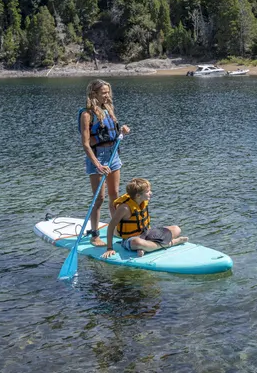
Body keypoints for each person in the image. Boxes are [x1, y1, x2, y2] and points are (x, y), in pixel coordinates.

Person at [79, 79, 131, 246]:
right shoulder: (87, 114)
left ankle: (116, 229)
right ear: (94, 94)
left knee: (114, 195)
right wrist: (98, 165)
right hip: (98, 157)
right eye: (103, 93)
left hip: (113, 154)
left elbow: (112, 133)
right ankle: (94, 235)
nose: (107, 95)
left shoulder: (108, 109)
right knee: (99, 198)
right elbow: (86, 144)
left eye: (108, 92)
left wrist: (122, 131)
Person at [103, 178, 186, 258]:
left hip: (146, 233)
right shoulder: (125, 208)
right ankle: (172, 243)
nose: (151, 193)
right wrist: (109, 248)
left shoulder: (143, 201)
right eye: (147, 191)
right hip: (131, 239)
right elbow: (110, 226)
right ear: (138, 195)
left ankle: (147, 249)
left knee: (176, 229)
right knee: (137, 242)